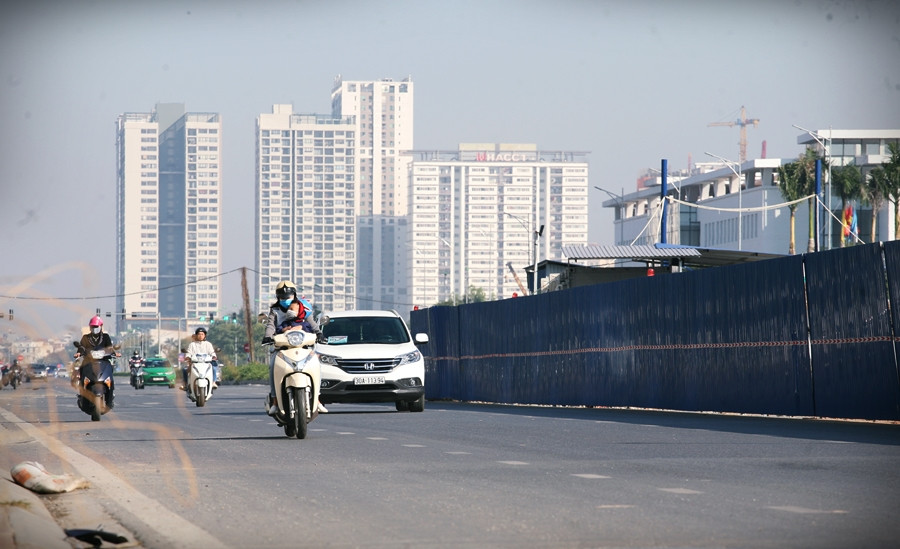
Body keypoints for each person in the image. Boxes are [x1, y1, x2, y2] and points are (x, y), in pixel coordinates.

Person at [261, 281, 325, 415]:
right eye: (283, 298)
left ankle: (317, 400)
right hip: (282, 348)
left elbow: (312, 324)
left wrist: (319, 333)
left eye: (288, 297)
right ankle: (275, 401)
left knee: (317, 365)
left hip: (304, 347)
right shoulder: (275, 311)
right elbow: (271, 326)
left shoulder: (304, 308)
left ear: (294, 295)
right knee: (273, 366)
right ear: (278, 298)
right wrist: (268, 337)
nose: (286, 301)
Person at [73, 315, 119, 408]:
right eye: (93, 327)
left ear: (101, 326)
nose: (94, 329)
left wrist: (114, 353)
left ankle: (110, 394)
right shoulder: (86, 337)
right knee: (82, 370)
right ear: (90, 327)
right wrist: (79, 353)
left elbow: (109, 347)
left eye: (96, 327)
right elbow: (82, 347)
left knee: (110, 373)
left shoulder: (105, 337)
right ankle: (82, 393)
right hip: (88, 362)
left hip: (104, 361)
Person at [183, 327, 218, 395]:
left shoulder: (208, 344)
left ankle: (213, 382)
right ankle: (185, 384)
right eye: (199, 334)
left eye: (202, 334)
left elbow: (212, 352)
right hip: (195, 363)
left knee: (213, 368)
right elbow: (189, 353)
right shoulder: (192, 344)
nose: (200, 336)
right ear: (196, 335)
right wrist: (187, 357)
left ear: (205, 335)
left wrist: (214, 356)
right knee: (184, 370)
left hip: (206, 363)